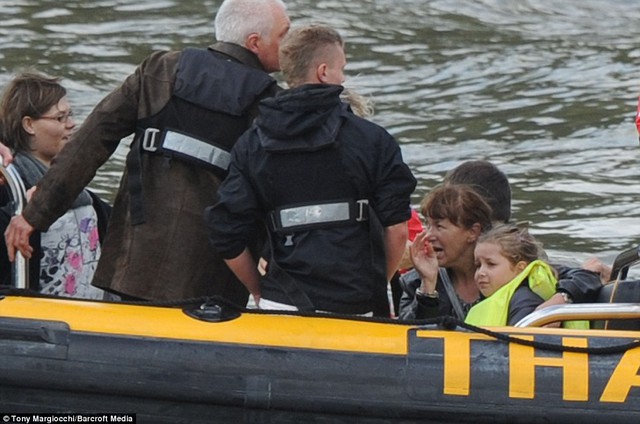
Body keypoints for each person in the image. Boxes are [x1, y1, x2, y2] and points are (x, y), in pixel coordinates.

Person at [4, 0, 291, 303]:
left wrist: (34, 215)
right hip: (215, 280)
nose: (290, 43)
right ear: (255, 43)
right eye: (285, 34)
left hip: (136, 264)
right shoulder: (272, 104)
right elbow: (280, 191)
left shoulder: (159, 70)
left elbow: (91, 141)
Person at [205, 24, 417, 314]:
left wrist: (259, 290)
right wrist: (376, 285)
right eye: (341, 69)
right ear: (323, 72)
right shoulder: (371, 140)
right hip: (354, 303)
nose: (343, 77)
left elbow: (225, 231)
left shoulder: (251, 144)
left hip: (279, 300)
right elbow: (398, 231)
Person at [398, 180, 603, 321]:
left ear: (473, 232)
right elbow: (410, 341)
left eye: (439, 226)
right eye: (427, 225)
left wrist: (558, 302)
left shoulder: (515, 267)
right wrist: (428, 287)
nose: (428, 235)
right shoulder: (414, 282)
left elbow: (585, 277)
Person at [0, 72, 110, 299]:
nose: (72, 124)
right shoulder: (10, 187)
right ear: (29, 124)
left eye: (70, 115)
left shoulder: (81, 193)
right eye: (60, 118)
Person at [465, 224, 587, 327]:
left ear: (520, 269)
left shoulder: (524, 301)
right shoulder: (491, 299)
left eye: (491, 264)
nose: (481, 272)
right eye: (478, 265)